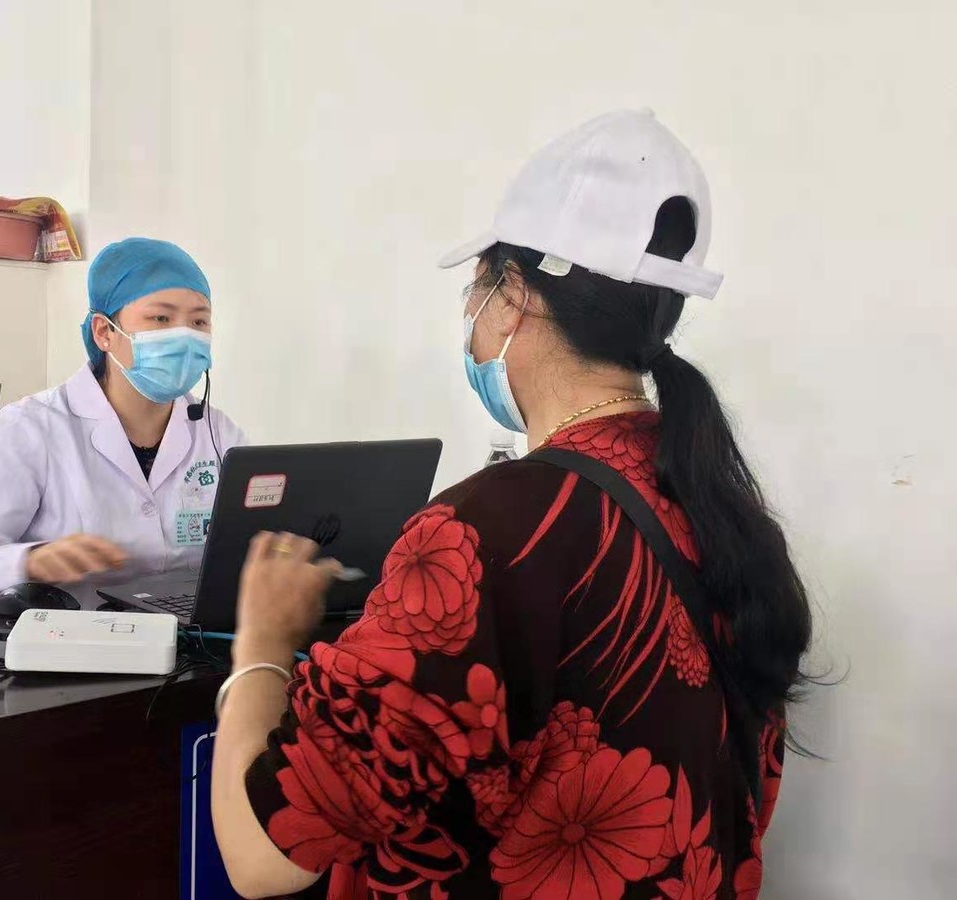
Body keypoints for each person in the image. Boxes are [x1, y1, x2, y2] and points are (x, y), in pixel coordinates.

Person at [210, 111, 812, 899]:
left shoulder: (481, 535)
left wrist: (260, 643)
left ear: (514, 296)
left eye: (476, 288)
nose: (470, 314)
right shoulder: (723, 509)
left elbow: (260, 860)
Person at [0, 238, 245, 602]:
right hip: (72, 629)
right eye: (161, 318)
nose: (185, 335)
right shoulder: (31, 428)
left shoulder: (219, 434)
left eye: (199, 321)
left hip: (194, 630)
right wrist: (30, 562)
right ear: (104, 332)